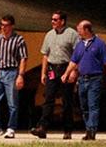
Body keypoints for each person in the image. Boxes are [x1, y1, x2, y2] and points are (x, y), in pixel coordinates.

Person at [63, 20, 106, 141]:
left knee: (93, 105)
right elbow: (73, 61)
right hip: (82, 79)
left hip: (95, 79)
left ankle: (92, 130)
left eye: (79, 30)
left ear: (86, 30)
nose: (78, 32)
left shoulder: (100, 44)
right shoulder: (80, 45)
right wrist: (66, 73)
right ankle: (88, 129)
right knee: (84, 106)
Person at [32, 10, 77, 140]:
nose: (52, 21)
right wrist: (43, 72)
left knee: (66, 100)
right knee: (48, 99)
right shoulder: (49, 35)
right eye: (52, 19)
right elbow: (45, 54)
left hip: (66, 68)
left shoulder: (72, 34)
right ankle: (42, 128)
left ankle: (67, 130)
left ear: (62, 21)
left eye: (55, 20)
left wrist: (74, 71)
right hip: (52, 68)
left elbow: (77, 55)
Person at [0, 15, 28, 139]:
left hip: (11, 72)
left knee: (12, 102)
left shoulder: (19, 40)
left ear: (12, 26)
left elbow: (24, 58)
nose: (3, 27)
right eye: (2, 25)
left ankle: (11, 128)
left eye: (6, 25)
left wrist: (21, 75)